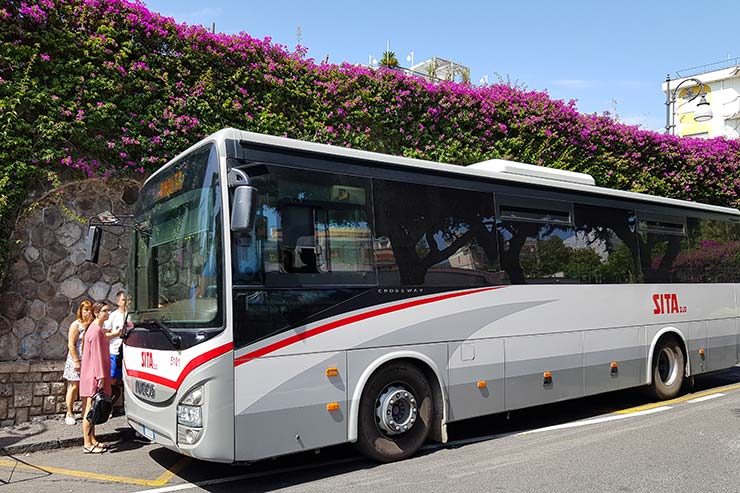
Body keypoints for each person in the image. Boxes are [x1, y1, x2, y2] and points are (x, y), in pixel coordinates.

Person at [80, 302, 115, 454]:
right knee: (90, 410)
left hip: (93, 374)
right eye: (105, 311)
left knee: (94, 409)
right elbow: (96, 356)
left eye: (108, 310)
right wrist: (100, 376)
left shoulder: (96, 329)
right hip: (94, 375)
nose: (108, 313)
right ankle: (87, 443)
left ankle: (92, 439)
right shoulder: (95, 331)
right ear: (96, 312)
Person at [62, 300, 93, 425]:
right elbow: (71, 344)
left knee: (87, 387)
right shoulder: (76, 324)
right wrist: (76, 361)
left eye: (90, 310)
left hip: (88, 360)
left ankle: (84, 411)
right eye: (85, 310)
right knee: (74, 386)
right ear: (81, 310)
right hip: (77, 359)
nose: (88, 312)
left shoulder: (91, 325)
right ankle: (69, 412)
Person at [103, 290, 127, 406]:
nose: (126, 302)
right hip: (115, 351)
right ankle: (108, 406)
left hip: (129, 352)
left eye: (127, 299)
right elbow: (105, 335)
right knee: (112, 379)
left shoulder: (132, 315)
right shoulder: (112, 316)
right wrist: (117, 334)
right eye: (123, 299)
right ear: (118, 302)